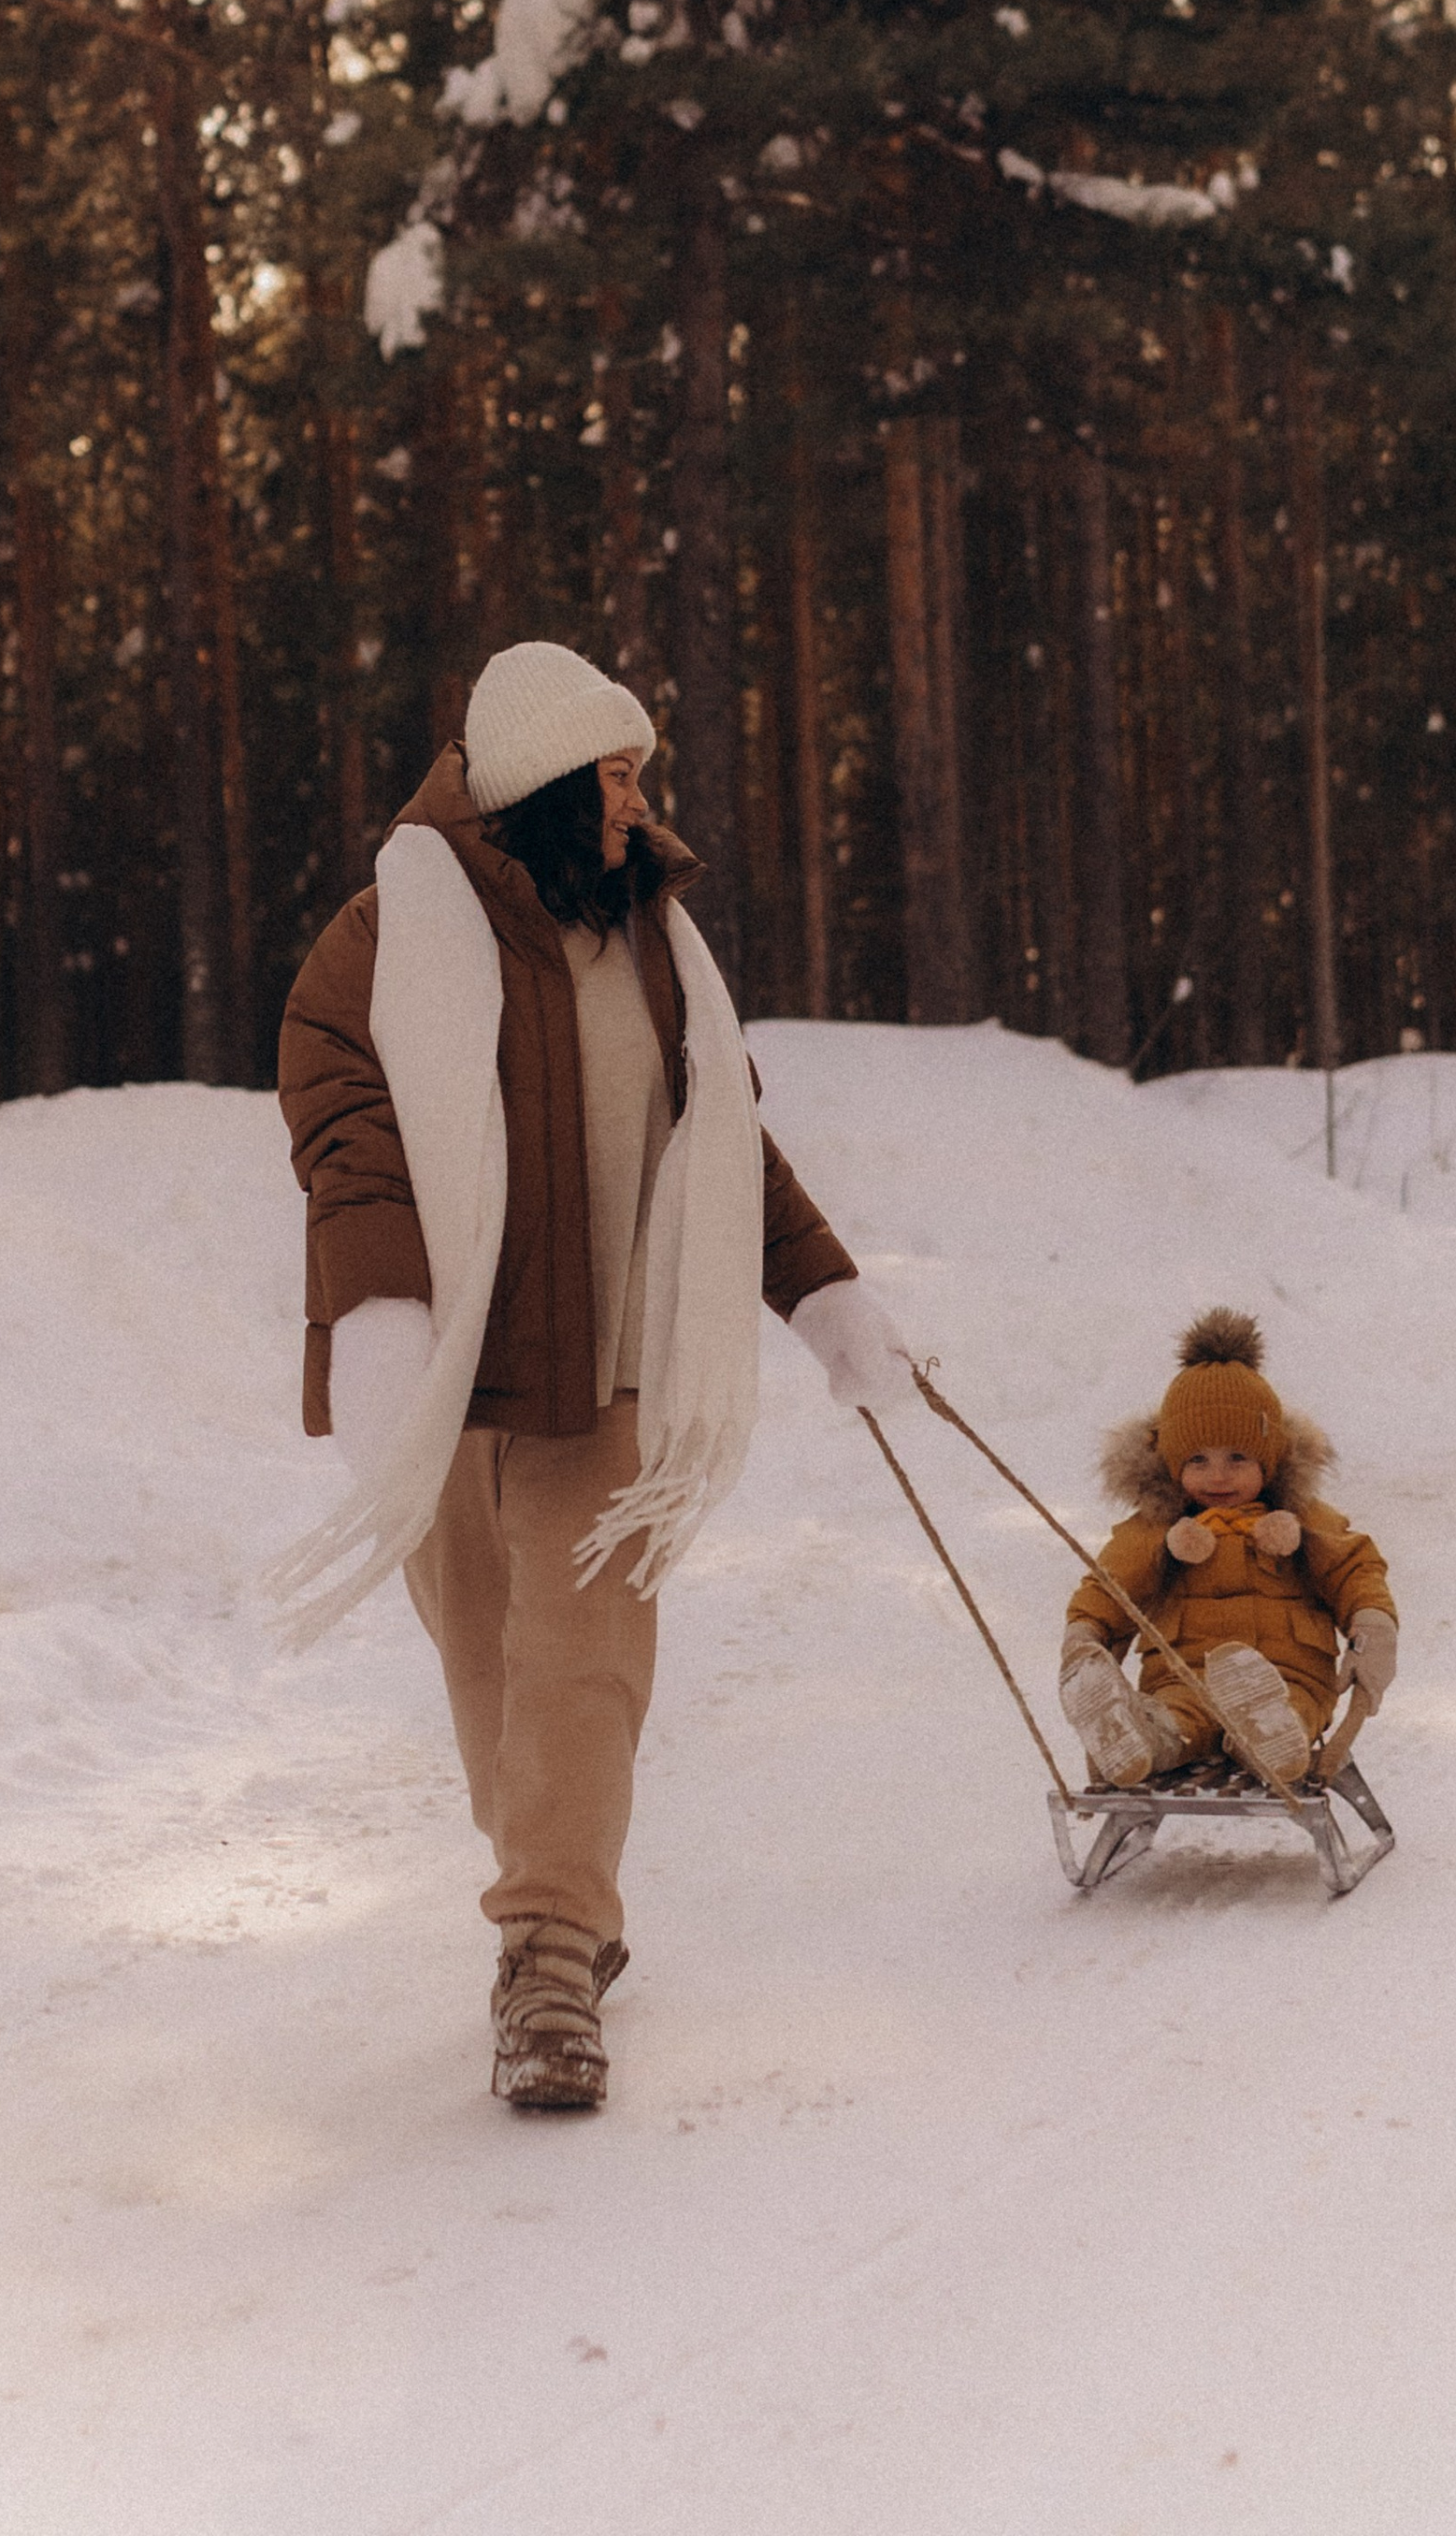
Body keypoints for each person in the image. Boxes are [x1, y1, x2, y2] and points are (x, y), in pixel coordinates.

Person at [274, 638, 912, 2113]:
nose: (636, 805)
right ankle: (551, 1871)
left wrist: (826, 1297)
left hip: (613, 1376)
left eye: (640, 775)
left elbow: (726, 1155)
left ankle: (552, 1953)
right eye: (612, 777)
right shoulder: (388, 936)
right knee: (494, 1681)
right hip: (453, 1383)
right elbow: (342, 1120)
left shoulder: (660, 952)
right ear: (543, 784)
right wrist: (373, 1313)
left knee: (582, 1665)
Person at [1058, 1308, 1397, 1787]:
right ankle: (1137, 1737)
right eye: (1197, 1459)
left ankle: (1270, 1739)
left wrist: (1372, 1623)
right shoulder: (1157, 1530)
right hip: (1183, 1676)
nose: (1218, 1475)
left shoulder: (1305, 1522)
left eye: (1238, 1458)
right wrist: (1086, 1633)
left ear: (1271, 1460)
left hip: (1289, 1675)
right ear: (1173, 1465)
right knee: (1176, 1716)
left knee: (1287, 1709)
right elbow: (1111, 1584)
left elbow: (1354, 1567)